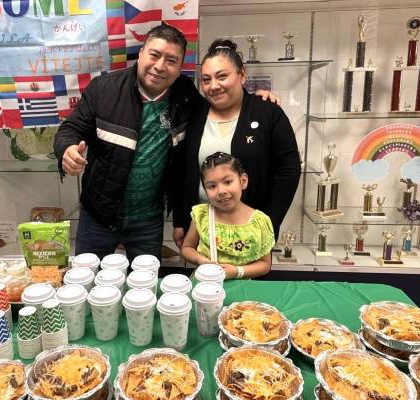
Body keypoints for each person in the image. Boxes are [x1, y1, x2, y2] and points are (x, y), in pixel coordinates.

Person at [54, 25, 277, 262]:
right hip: (98, 213)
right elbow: (70, 129)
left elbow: (220, 102)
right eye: (154, 55)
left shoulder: (186, 96)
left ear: (180, 67)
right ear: (140, 54)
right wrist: (67, 150)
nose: (160, 66)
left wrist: (254, 101)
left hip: (148, 220)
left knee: (145, 287)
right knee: (85, 281)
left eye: (171, 60)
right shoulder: (104, 89)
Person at [173, 39, 301, 248]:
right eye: (206, 80)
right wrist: (180, 220)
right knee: (205, 279)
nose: (214, 86)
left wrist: (269, 223)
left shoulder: (268, 112)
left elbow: (289, 170)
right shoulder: (195, 115)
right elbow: (183, 171)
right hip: (203, 229)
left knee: (246, 280)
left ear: (242, 75)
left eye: (222, 76)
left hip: (251, 231)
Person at [181, 152, 274, 280]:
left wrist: (238, 271)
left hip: (242, 289)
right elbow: (187, 248)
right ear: (205, 189)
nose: (221, 191)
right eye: (212, 186)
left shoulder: (259, 221)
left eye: (228, 182)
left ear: (243, 181)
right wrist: (200, 260)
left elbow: (265, 264)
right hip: (206, 285)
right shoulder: (201, 215)